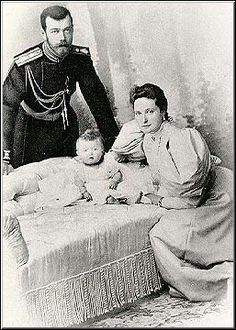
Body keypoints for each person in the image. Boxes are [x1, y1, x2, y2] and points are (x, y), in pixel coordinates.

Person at [112, 83, 233, 301]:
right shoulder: (148, 140)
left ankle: (212, 285)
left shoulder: (180, 137)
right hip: (190, 198)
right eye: (138, 113)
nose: (144, 120)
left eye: (150, 111)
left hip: (218, 197)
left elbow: (190, 195)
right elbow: (119, 150)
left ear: (163, 111)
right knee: (164, 230)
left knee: (160, 234)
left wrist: (157, 200)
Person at [2, 5, 119, 174]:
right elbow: (6, 107)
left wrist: (113, 143)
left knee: (72, 180)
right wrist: (4, 156)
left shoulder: (79, 59)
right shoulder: (25, 65)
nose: (63, 38)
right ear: (44, 34)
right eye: (55, 31)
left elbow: (97, 99)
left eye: (67, 30)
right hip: (29, 131)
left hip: (64, 127)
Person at [69, 128, 144, 205]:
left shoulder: (107, 161)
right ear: (78, 153)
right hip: (93, 187)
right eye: (85, 150)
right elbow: (79, 182)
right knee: (91, 193)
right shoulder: (79, 166)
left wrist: (115, 181)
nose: (90, 153)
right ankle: (111, 200)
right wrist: (84, 192)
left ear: (102, 151)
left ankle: (129, 199)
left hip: (110, 185)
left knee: (124, 187)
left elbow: (117, 173)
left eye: (95, 149)